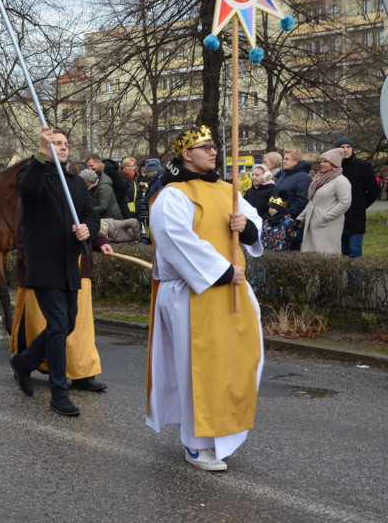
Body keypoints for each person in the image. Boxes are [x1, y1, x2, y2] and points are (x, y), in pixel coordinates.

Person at [145, 125, 264, 472]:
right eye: (206, 147)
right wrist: (223, 271)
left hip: (231, 289)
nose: (214, 152)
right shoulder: (172, 195)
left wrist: (248, 227)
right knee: (196, 366)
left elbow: (253, 226)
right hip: (190, 292)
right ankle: (196, 443)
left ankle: (224, 428)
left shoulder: (228, 190)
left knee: (238, 360)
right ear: (186, 154)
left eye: (214, 147)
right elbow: (176, 239)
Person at [9, 127, 99, 418]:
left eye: (64, 144)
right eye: (55, 144)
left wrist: (89, 229)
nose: (61, 148)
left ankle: (25, 361)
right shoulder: (33, 175)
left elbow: (90, 214)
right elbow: (27, 190)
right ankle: (59, 393)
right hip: (43, 265)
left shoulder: (75, 182)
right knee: (59, 324)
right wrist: (40, 153)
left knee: (67, 324)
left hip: (69, 265)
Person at [10, 199, 110, 394]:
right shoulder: (33, 187)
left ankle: (82, 374)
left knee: (79, 326)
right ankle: (26, 363)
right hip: (45, 268)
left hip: (78, 268)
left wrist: (100, 241)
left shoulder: (74, 185)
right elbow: (24, 231)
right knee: (39, 323)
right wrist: (31, 265)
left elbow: (86, 219)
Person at [297, 148, 351, 255]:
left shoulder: (341, 181)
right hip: (312, 226)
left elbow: (345, 203)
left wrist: (326, 217)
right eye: (321, 161)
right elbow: (312, 202)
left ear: (334, 164)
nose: (321, 164)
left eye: (325, 161)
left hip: (327, 227)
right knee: (311, 260)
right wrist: (300, 218)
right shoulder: (319, 179)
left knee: (327, 259)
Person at [333, 137, 380, 258]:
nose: (345, 150)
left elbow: (374, 190)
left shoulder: (363, 166)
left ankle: (356, 278)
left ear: (352, 149)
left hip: (356, 217)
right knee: (344, 252)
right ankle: (347, 277)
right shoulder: (334, 168)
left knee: (355, 251)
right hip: (338, 216)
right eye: (342, 147)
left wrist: (361, 204)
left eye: (348, 147)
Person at [81, 168, 140, 244]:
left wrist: (88, 210)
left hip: (111, 219)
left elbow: (103, 207)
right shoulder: (94, 187)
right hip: (107, 222)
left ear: (89, 182)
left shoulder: (104, 188)